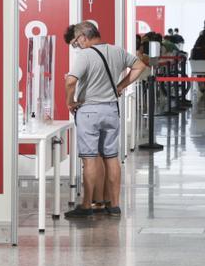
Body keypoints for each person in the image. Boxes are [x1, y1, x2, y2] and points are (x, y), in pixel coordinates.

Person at [62, 21, 148, 219]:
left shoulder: (84, 55)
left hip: (89, 111)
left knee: (89, 159)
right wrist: (119, 86)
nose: (77, 46)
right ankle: (115, 205)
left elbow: (71, 81)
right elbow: (140, 66)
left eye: (76, 42)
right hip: (111, 110)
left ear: (84, 36)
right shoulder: (117, 51)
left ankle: (86, 204)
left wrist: (70, 102)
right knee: (111, 157)